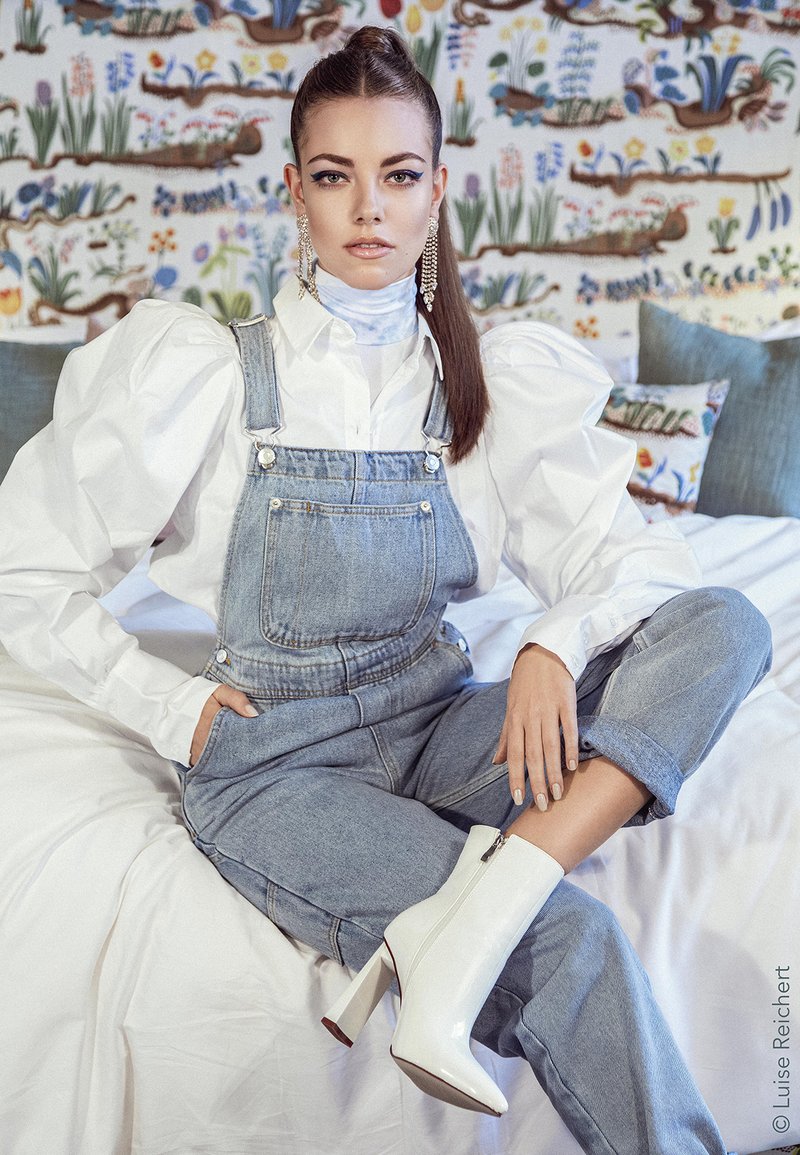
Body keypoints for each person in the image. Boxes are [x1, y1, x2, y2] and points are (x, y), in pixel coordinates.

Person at [0, 25, 771, 1155]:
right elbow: (25, 568)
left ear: (436, 192)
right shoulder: (210, 371)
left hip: (433, 725)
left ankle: (497, 891)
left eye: (397, 175)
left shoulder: (479, 379)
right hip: (278, 768)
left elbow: (642, 564)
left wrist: (554, 643)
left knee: (724, 623)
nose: (368, 206)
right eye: (334, 175)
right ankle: (506, 918)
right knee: (577, 948)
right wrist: (173, 709)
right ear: (296, 194)